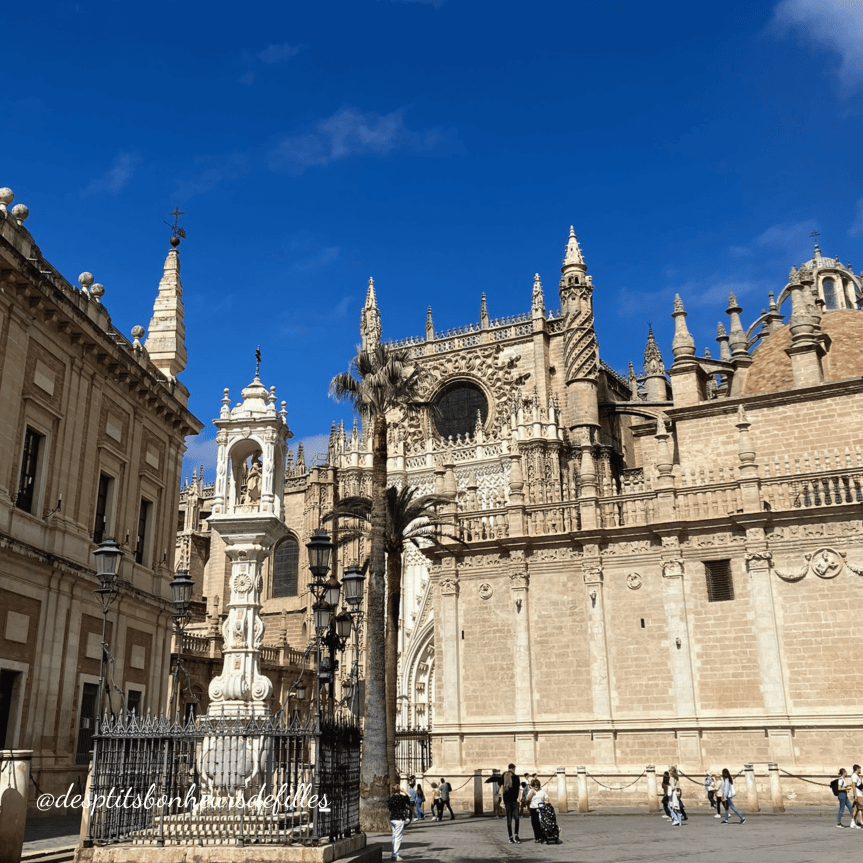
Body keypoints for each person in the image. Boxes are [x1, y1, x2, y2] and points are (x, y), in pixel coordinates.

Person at [387, 788, 412, 861]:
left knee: (394, 836)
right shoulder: (401, 797)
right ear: (399, 790)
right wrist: (404, 791)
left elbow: (389, 808)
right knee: (398, 837)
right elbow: (409, 797)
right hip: (399, 818)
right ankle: (395, 855)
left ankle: (393, 853)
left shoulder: (390, 799)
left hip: (392, 818)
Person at [501, 763, 522, 844]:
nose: (513, 770)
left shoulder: (517, 778)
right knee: (509, 820)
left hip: (515, 801)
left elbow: (518, 788)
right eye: (513, 769)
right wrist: (502, 800)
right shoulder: (504, 776)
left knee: (517, 818)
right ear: (511, 768)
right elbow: (502, 788)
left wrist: (519, 798)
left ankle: (516, 835)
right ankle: (510, 837)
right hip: (507, 801)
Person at [526, 778, 549, 843]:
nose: (536, 787)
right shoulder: (531, 791)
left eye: (537, 785)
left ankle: (543, 837)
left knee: (541, 824)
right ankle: (537, 837)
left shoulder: (543, 791)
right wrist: (532, 791)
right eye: (534, 785)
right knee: (535, 824)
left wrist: (546, 801)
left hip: (541, 809)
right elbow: (528, 798)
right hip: (533, 808)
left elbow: (546, 797)